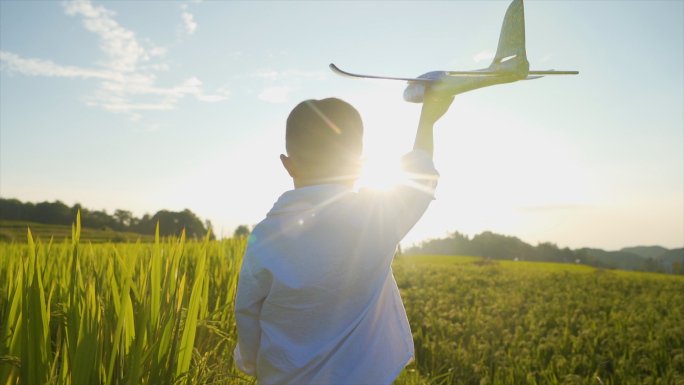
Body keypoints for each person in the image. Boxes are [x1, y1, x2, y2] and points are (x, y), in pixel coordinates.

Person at [234, 92, 454, 384]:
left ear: (288, 164)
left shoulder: (264, 236)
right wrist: (427, 120)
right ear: (359, 166)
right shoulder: (374, 218)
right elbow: (421, 175)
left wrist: (250, 362)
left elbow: (248, 310)